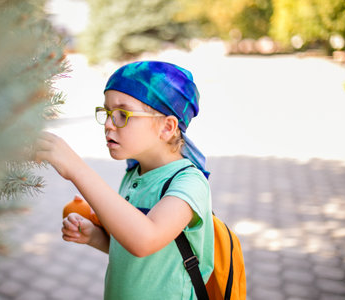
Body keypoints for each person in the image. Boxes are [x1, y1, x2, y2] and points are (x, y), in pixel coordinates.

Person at [35, 61, 214, 300]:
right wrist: (95, 237)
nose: (109, 124)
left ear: (167, 127)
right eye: (107, 112)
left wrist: (76, 169)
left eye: (122, 114)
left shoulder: (189, 183)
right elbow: (138, 251)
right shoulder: (134, 175)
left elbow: (145, 239)